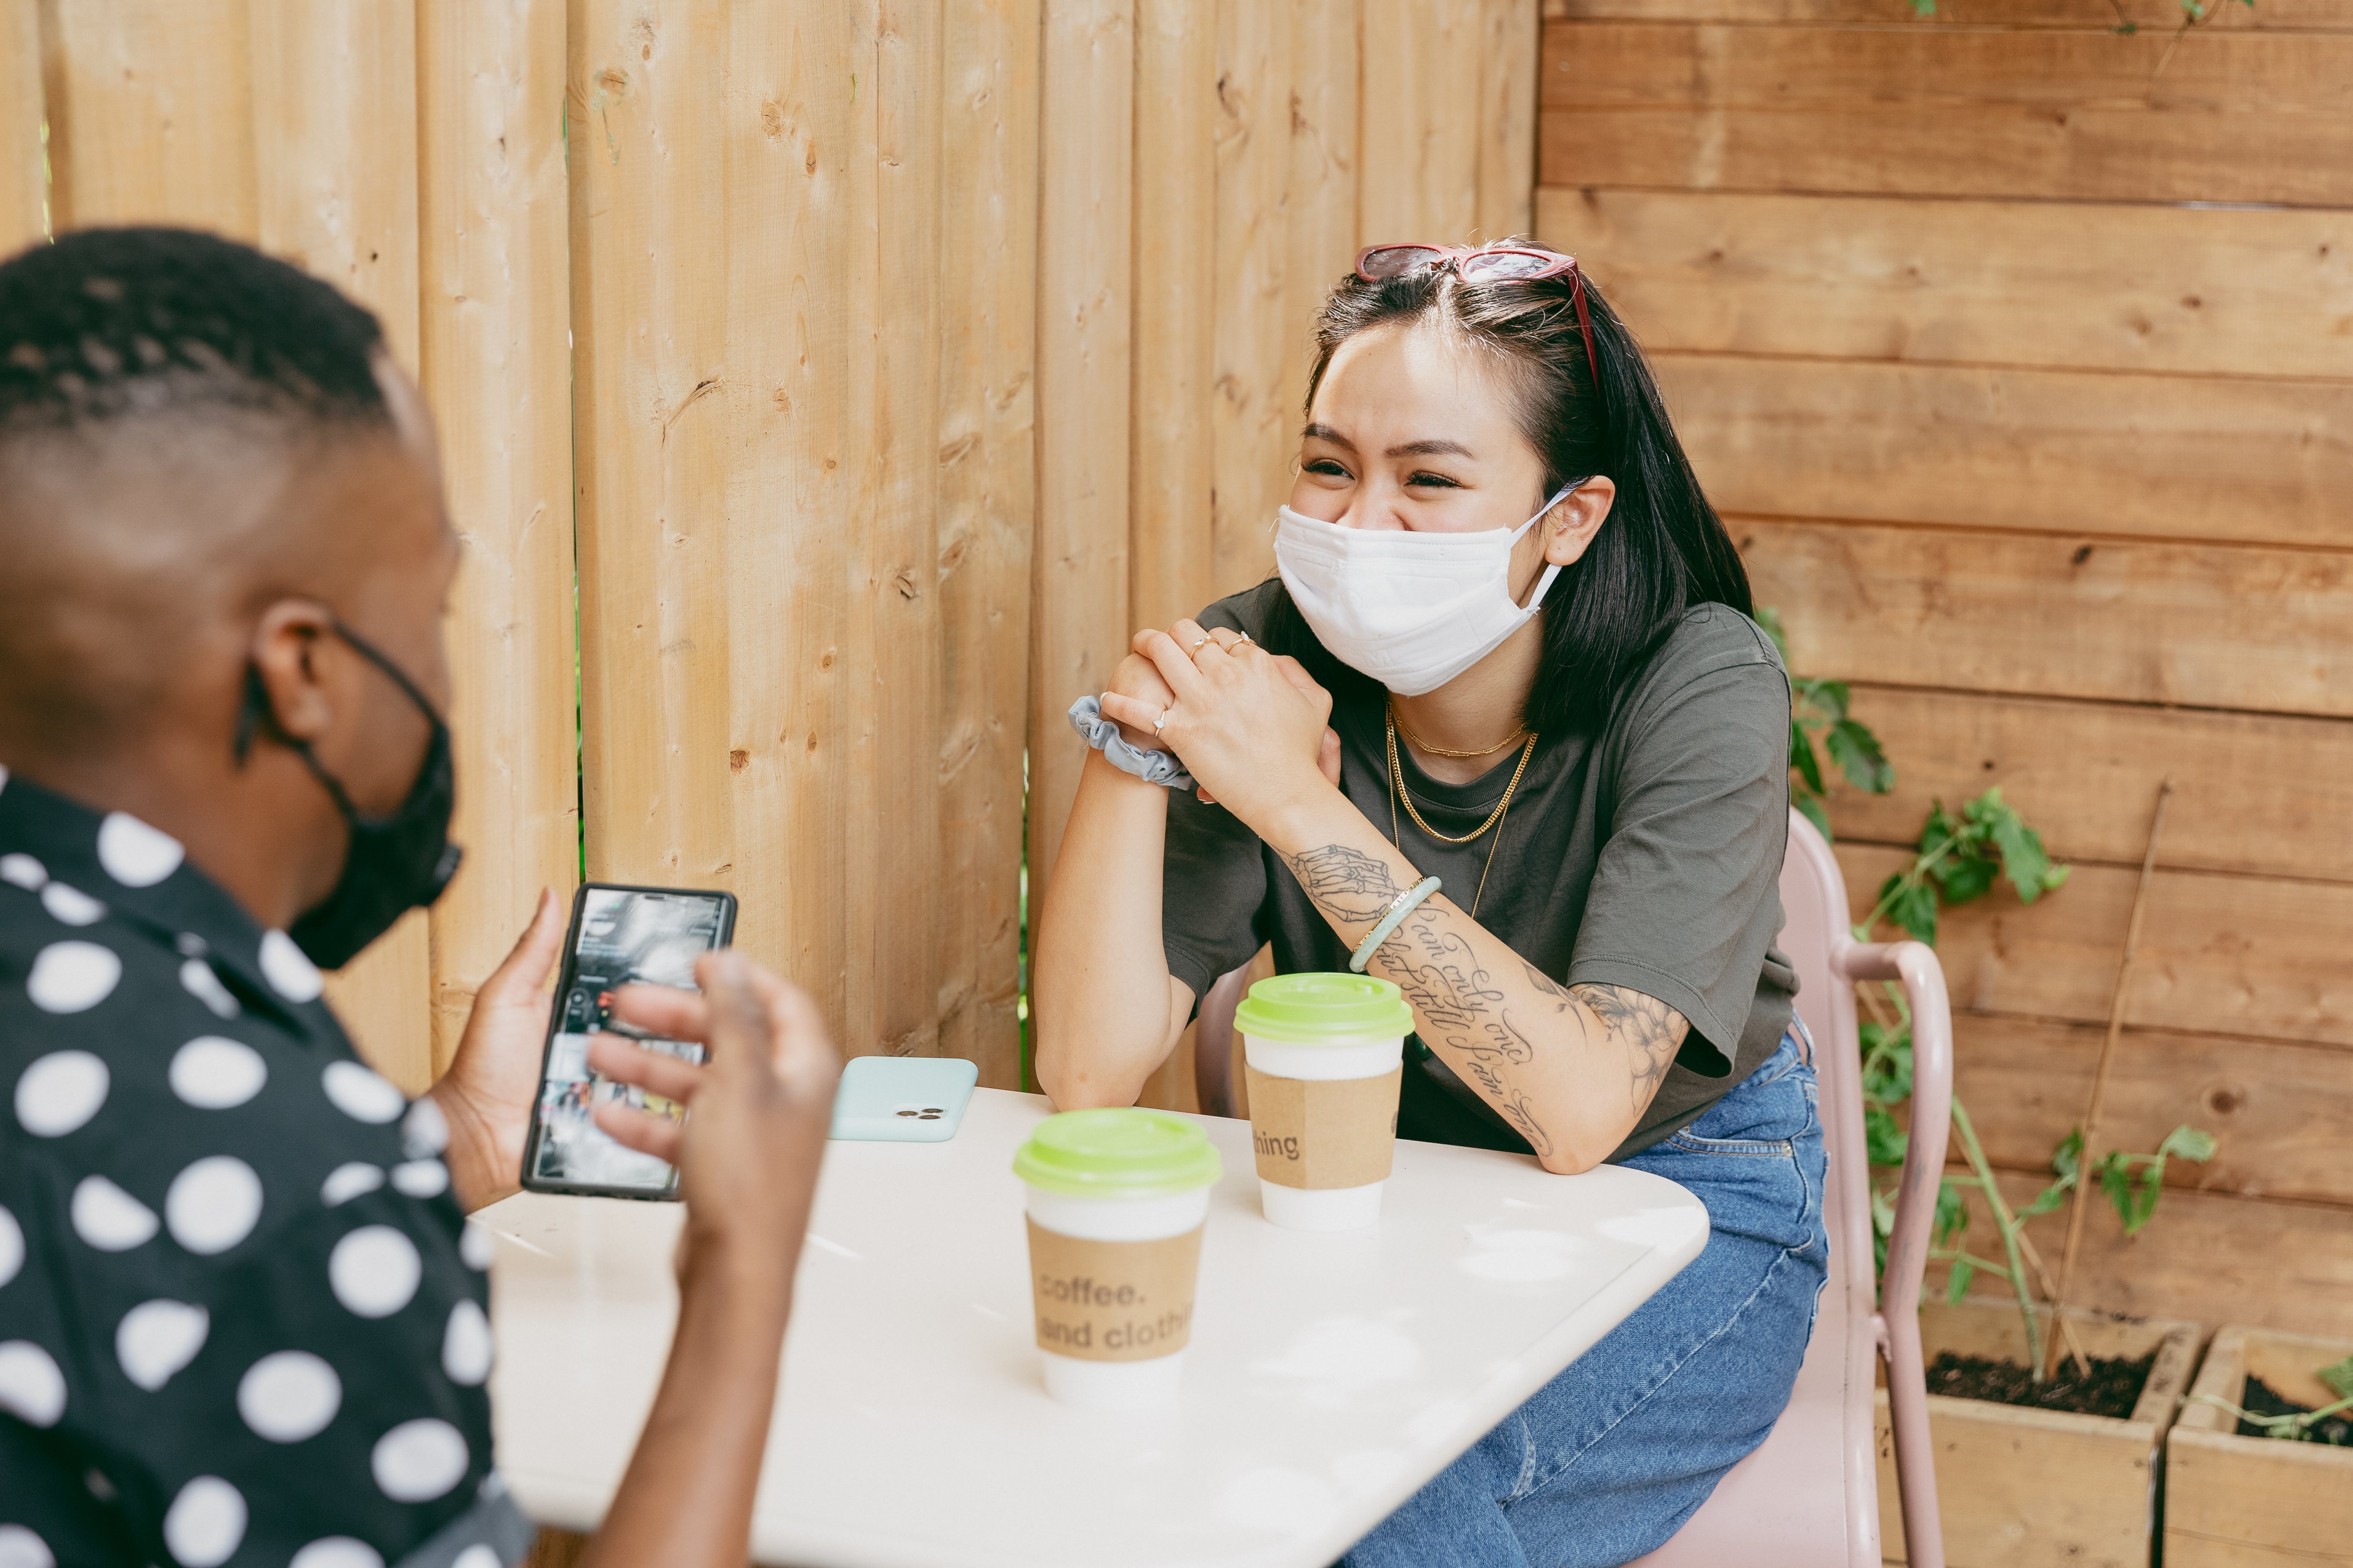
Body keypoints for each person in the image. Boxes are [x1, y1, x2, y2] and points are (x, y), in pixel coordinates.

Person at [0, 228, 839, 1568]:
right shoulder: (294, 1185)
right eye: (432, 614)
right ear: (306, 671)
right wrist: (744, 1269)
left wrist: (460, 1135)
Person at [1033, 242, 1824, 1567]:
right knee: (1155, 1447)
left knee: (1373, 1499)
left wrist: (1294, 803)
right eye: (1329, 464)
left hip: (1685, 1198)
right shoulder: (1268, 667)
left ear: (1567, 518)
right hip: (1379, 1202)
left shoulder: (1700, 678)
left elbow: (1578, 1111)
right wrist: (1142, 738)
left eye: (1430, 480)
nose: (1355, 526)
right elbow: (1084, 1063)